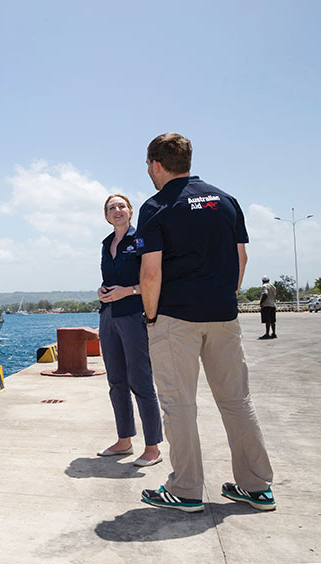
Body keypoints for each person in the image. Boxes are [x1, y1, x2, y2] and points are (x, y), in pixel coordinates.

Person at [137, 133, 274, 513]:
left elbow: (150, 275)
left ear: (156, 164)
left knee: (178, 405)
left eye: (148, 165)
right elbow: (241, 259)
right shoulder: (226, 201)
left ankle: (185, 490)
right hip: (224, 316)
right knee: (236, 401)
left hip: (176, 318)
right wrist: (223, 298)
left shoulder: (156, 207)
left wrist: (151, 317)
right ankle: (256, 487)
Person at [96, 194, 163, 467]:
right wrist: (102, 291)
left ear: (131, 211)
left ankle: (152, 448)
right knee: (116, 381)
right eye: (112, 208)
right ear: (106, 216)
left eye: (121, 206)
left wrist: (130, 290)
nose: (117, 210)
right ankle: (124, 440)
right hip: (108, 316)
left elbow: (153, 277)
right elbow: (110, 279)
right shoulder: (105, 244)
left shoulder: (141, 240)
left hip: (134, 315)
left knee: (141, 381)